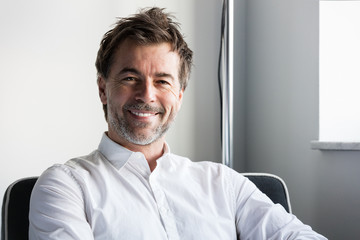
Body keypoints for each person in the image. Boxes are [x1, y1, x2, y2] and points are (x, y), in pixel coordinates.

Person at [29, 7, 327, 240]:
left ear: (179, 96)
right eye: (131, 78)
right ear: (103, 89)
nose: (147, 94)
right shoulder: (67, 186)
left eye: (162, 81)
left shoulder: (224, 184)